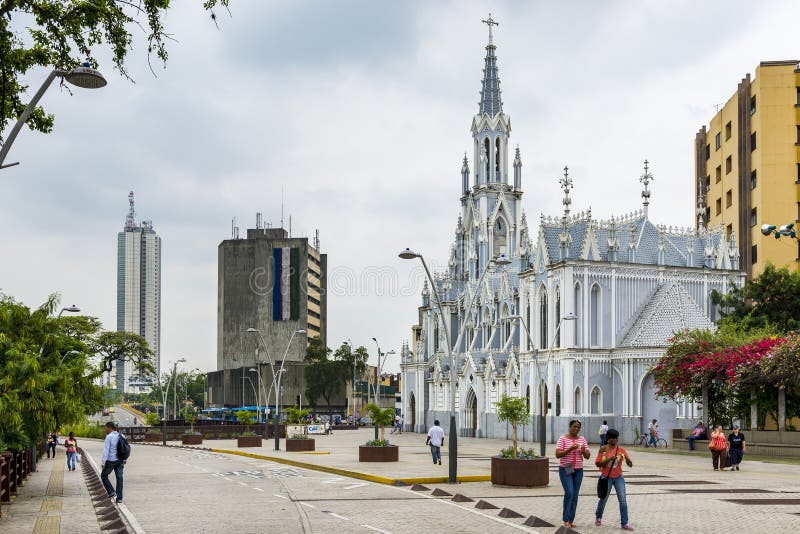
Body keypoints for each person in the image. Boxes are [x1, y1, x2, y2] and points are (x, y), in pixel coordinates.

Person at [594, 429, 634, 531]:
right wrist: (609, 459)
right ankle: (598, 517)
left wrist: (628, 460)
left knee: (623, 500)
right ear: (608, 438)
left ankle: (624, 523)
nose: (614, 440)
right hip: (606, 477)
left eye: (615, 438)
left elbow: (630, 465)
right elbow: (598, 463)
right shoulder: (603, 449)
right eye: (612, 438)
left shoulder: (621, 450)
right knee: (603, 499)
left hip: (618, 477)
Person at [556, 419, 591, 529]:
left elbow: (588, 456)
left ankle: (571, 520)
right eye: (574, 426)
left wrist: (583, 450)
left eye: (578, 427)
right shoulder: (563, 439)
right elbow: (557, 454)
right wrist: (570, 448)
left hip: (578, 470)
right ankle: (565, 519)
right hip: (567, 468)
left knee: (575, 495)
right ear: (569, 427)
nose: (576, 429)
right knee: (569, 492)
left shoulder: (582, 439)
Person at [101, 421, 124, 503]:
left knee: (104, 476)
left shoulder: (109, 437)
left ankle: (111, 492)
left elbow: (106, 450)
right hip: (120, 461)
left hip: (111, 460)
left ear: (109, 428)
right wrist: (124, 459)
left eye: (105, 428)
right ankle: (120, 498)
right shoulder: (121, 436)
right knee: (119, 478)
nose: (105, 429)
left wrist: (103, 462)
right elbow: (126, 448)